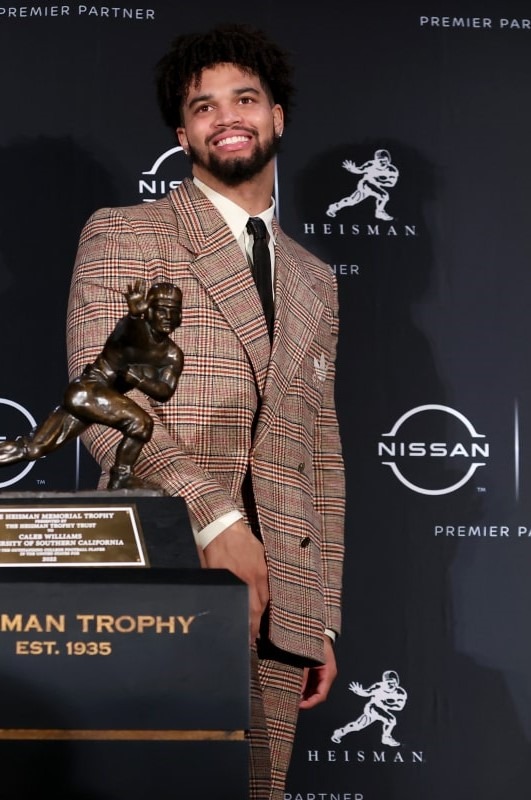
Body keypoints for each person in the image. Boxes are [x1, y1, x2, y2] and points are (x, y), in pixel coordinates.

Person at [66, 23, 345, 800]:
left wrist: (317, 616)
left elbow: (319, 451)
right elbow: (104, 404)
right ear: (181, 132)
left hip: (279, 609)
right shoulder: (128, 233)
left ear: (277, 116)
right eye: (203, 105)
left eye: (245, 99)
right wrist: (216, 521)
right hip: (162, 566)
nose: (227, 117)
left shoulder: (314, 278)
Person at [0, 280, 183, 490]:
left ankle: (122, 477)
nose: (168, 317)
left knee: (33, 448)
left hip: (94, 399)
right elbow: (128, 332)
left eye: (174, 311)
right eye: (161, 310)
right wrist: (133, 316)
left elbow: (164, 391)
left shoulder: (172, 355)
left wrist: (137, 379)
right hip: (88, 391)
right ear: (149, 311)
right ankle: (121, 476)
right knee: (141, 423)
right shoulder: (134, 331)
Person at [330, 670, 407, 747]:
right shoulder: (378, 687)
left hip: (383, 710)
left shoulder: (401, 693)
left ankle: (340, 732)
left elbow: (399, 707)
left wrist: (386, 704)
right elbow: (367, 693)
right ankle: (386, 737)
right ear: (384, 682)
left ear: (397, 682)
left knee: (357, 726)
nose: (391, 685)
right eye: (389, 682)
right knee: (391, 720)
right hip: (372, 708)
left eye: (394, 682)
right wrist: (359, 691)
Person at [326, 148, 399, 220]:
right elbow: (359, 170)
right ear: (376, 160)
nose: (382, 163)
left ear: (388, 160)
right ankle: (379, 212)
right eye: (380, 161)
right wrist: (352, 169)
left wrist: (378, 181)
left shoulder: (392, 170)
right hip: (365, 184)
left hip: (375, 186)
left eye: (385, 161)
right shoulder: (370, 164)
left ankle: (334, 207)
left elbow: (391, 184)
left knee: (351, 201)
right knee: (384, 196)